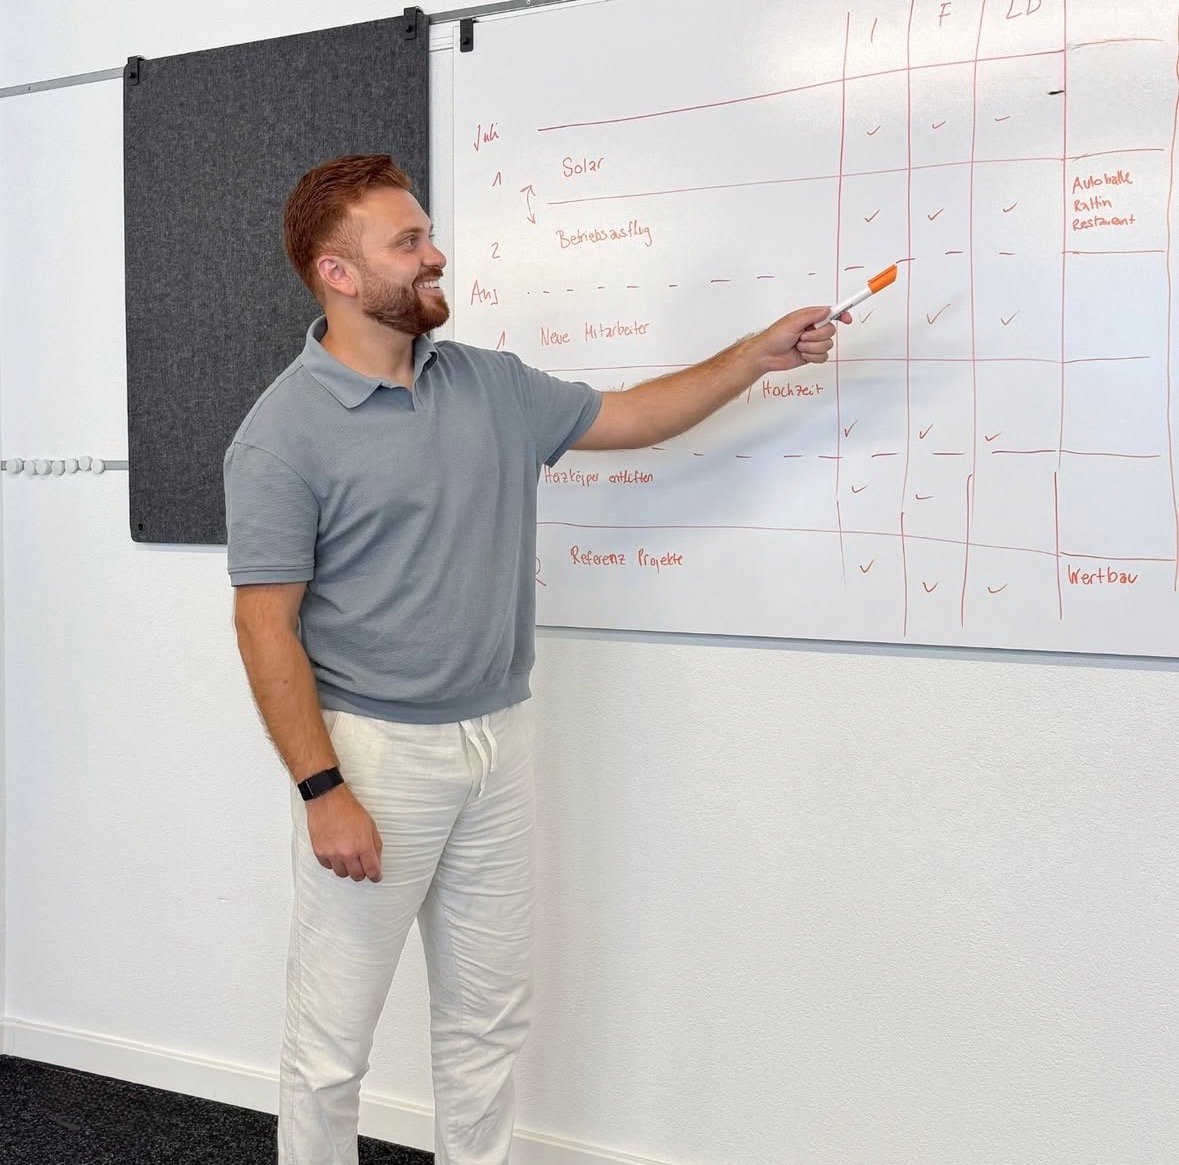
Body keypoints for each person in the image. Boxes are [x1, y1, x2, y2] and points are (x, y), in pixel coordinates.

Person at [224, 153, 846, 1165]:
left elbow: (637, 415)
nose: (436, 256)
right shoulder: (281, 435)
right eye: (408, 242)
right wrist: (321, 787)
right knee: (333, 1047)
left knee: (486, 1024)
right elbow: (264, 626)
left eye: (427, 233)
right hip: (375, 757)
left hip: (498, 742)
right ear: (338, 275)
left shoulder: (489, 384)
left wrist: (757, 353)